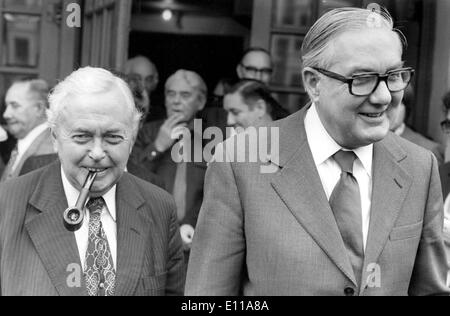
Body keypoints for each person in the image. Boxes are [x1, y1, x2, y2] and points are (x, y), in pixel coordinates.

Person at [186, 7, 449, 296]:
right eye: (361, 79)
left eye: (394, 75)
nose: (384, 96)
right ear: (314, 83)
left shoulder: (419, 166)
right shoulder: (241, 161)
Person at [0, 67, 185, 296]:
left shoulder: (160, 207)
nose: (97, 152)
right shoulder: (6, 205)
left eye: (113, 137)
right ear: (55, 138)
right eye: (82, 136)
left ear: (131, 137)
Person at [131, 70, 208, 250]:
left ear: (201, 102)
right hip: (149, 235)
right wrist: (157, 147)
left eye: (185, 95)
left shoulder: (211, 139)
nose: (176, 101)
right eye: (170, 94)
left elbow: (214, 189)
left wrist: (190, 224)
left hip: (195, 238)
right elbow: (130, 180)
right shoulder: (146, 134)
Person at [1, 78, 55, 181]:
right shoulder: (22, 142)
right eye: (6, 106)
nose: (6, 114)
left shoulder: (50, 152)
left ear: (39, 108)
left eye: (15, 106)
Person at [390, 85, 444, 165]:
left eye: (395, 103)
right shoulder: (367, 144)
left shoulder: (428, 150)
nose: (386, 110)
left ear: (407, 108)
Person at [224, 79, 289, 131]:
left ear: (260, 107)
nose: (229, 121)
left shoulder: (288, 142)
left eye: (235, 112)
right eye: (227, 113)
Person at [124, 56, 165, 122]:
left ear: (155, 82)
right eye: (136, 79)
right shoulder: (119, 107)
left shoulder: (160, 115)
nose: (143, 85)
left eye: (148, 79)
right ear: (126, 80)